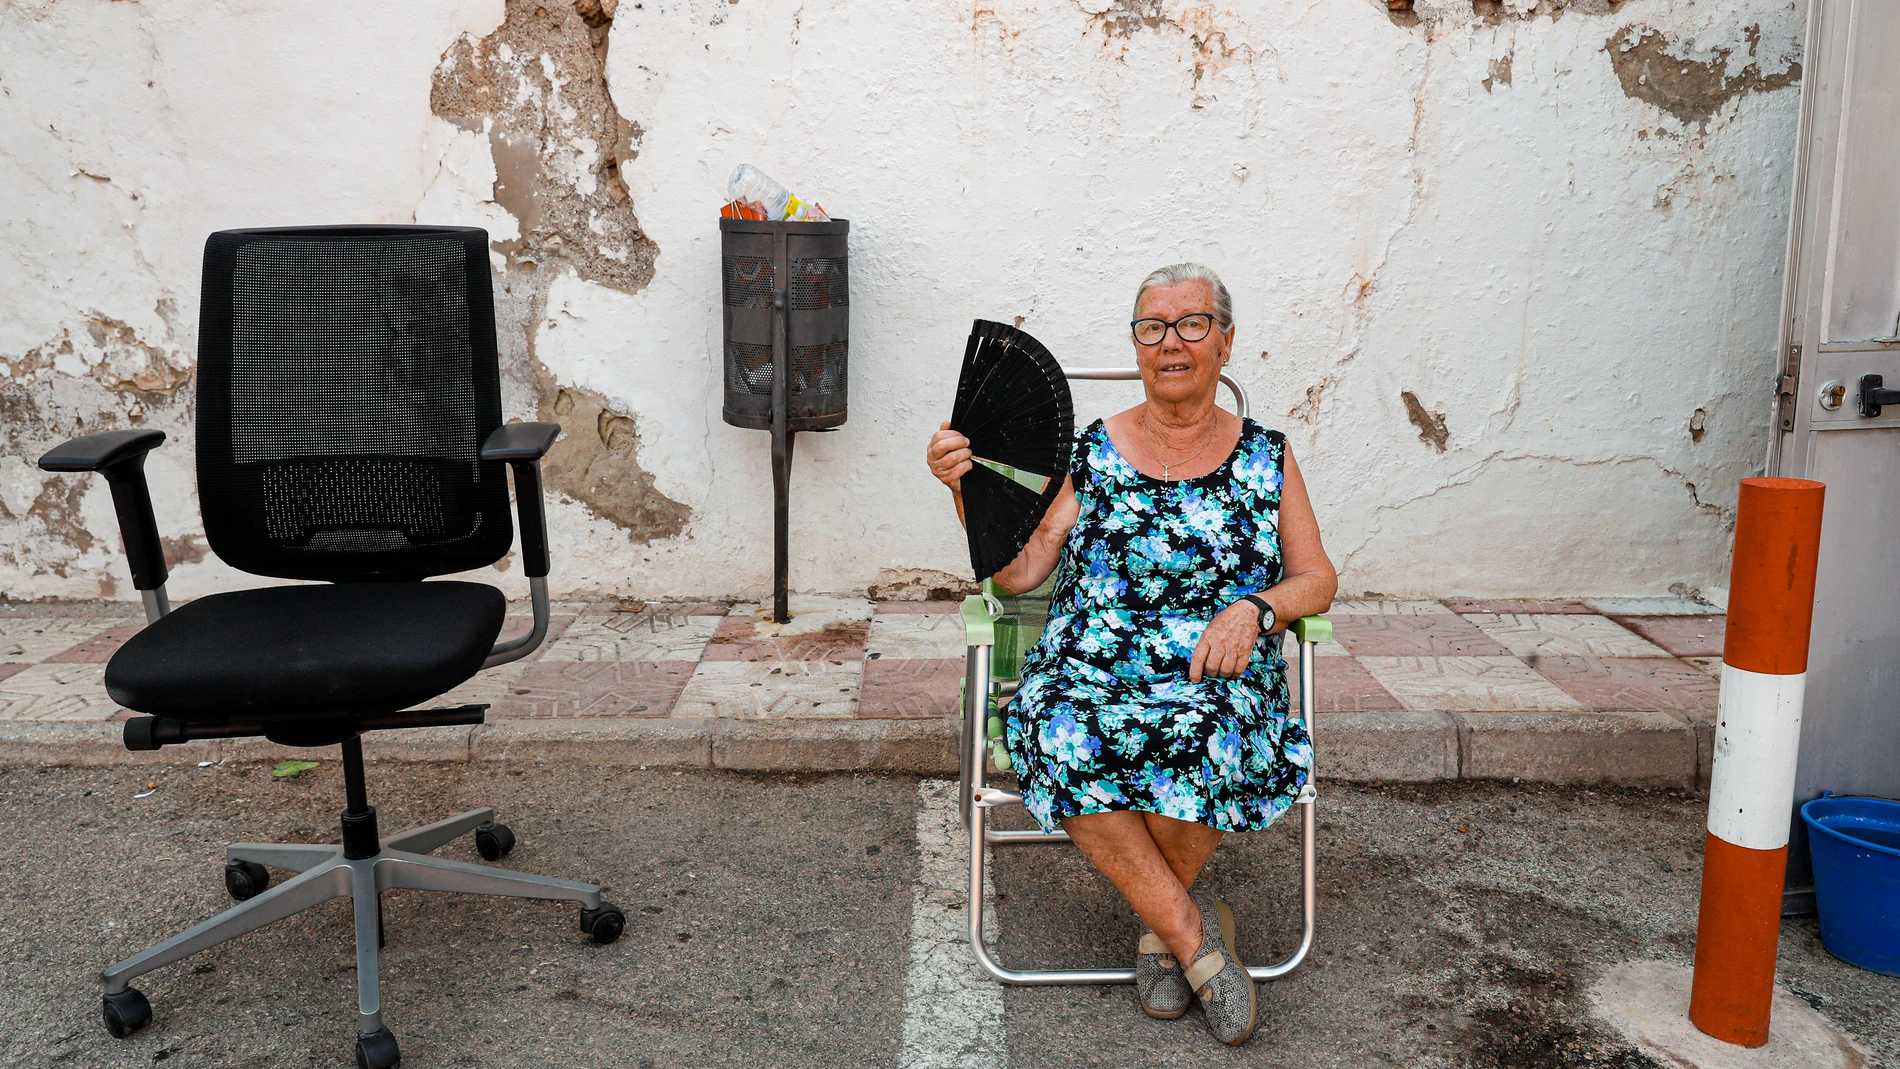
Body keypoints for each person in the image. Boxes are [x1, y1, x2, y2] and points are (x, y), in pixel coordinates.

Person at [926, 263, 1336, 1046]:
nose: (1170, 342)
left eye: (1190, 323)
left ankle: (1163, 932)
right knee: (1055, 726)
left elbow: (1316, 576)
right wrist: (963, 487)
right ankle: (1188, 933)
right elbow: (1019, 572)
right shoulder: (1096, 451)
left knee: (1214, 728)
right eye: (1152, 327)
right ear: (1138, 346)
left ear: (1225, 340)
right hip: (1089, 663)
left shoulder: (1267, 457)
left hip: (1212, 665)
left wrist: (1257, 608)